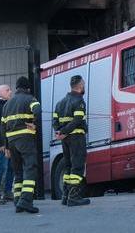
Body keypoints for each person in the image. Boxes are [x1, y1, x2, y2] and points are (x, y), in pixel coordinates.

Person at [1, 76, 41, 214]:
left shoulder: (7, 104)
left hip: (11, 141)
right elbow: (38, 110)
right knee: (30, 168)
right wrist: (34, 123)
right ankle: (26, 201)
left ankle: (18, 201)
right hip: (25, 139)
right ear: (27, 88)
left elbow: (3, 127)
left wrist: (6, 146)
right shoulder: (30, 98)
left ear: (17, 88)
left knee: (18, 172)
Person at [53, 75, 90, 206]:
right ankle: (74, 196)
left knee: (68, 166)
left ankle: (66, 196)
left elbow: (55, 120)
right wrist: (63, 132)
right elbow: (77, 120)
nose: (84, 87)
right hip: (77, 138)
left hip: (65, 139)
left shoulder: (60, 103)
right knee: (77, 166)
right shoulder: (79, 101)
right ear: (80, 86)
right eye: (83, 84)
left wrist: (60, 132)